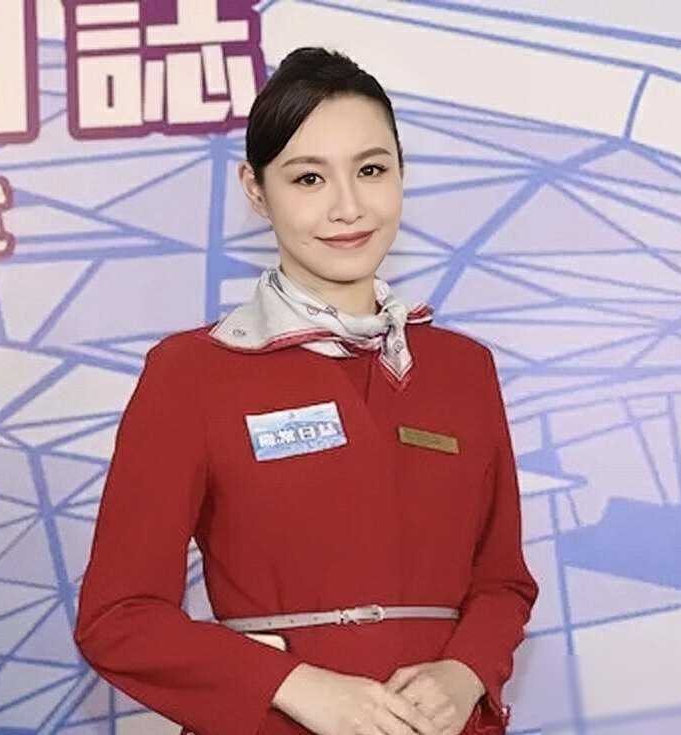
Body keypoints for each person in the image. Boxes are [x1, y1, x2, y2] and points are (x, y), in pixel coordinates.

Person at [73, 46, 538, 735]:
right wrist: (296, 687)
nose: (348, 207)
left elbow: (502, 581)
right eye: (308, 178)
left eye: (371, 170)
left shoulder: (462, 369)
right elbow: (119, 616)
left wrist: (464, 671)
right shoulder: (193, 373)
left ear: (402, 173)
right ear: (256, 190)